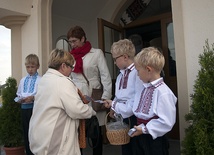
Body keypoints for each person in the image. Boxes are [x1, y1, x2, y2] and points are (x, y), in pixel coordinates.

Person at [29, 49, 96, 155]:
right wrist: (92, 111)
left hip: (40, 135)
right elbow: (76, 110)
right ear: (63, 66)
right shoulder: (62, 82)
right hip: (55, 139)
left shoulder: (45, 79)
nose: (72, 71)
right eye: (71, 67)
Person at [67, 25, 112, 155]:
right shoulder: (70, 57)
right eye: (70, 42)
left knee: (95, 132)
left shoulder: (96, 53)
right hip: (77, 97)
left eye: (74, 41)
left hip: (94, 96)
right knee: (78, 131)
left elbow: (105, 76)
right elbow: (69, 77)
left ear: (83, 38)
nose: (72, 44)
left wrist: (105, 97)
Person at [130, 47, 177, 155]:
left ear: (148, 69)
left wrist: (146, 129)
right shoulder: (143, 88)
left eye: (138, 71)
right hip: (140, 135)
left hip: (155, 140)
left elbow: (167, 121)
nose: (137, 75)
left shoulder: (164, 92)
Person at [104, 39, 143, 155]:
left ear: (125, 57)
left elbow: (137, 99)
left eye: (116, 59)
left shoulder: (138, 72)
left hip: (135, 117)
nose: (115, 62)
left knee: (136, 148)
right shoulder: (121, 75)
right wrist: (113, 107)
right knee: (125, 148)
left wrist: (114, 104)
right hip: (123, 114)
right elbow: (119, 95)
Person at [15, 54, 41, 155]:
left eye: (32, 67)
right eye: (28, 67)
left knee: (35, 133)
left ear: (38, 66)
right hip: (24, 109)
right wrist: (20, 100)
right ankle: (29, 153)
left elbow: (43, 95)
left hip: (34, 110)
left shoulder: (41, 80)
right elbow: (18, 94)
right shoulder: (22, 80)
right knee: (26, 133)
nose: (30, 69)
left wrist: (33, 98)